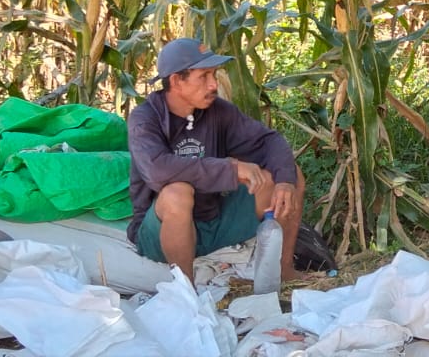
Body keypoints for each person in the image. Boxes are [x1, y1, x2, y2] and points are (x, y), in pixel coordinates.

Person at [127, 37, 305, 283]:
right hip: (159, 232)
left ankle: (284, 271)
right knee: (177, 193)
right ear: (177, 80)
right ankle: (185, 291)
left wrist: (285, 181)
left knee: (290, 175)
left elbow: (268, 141)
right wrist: (231, 169)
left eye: (214, 74)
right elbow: (158, 170)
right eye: (204, 76)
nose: (214, 84)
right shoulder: (145, 118)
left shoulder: (218, 111)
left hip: (215, 221)